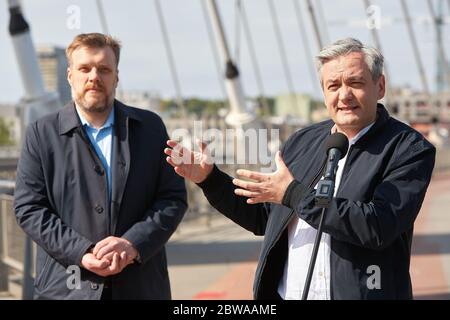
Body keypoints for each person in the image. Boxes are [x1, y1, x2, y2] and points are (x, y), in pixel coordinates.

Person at [165, 38, 436, 300]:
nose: (344, 94)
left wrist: (295, 194)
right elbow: (265, 218)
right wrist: (210, 180)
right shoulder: (301, 142)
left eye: (355, 82)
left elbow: (377, 225)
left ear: (380, 86)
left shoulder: (408, 149)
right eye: (333, 85)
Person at [14, 33, 187, 300]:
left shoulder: (150, 128)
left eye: (104, 69)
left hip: (139, 289)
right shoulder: (41, 133)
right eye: (84, 68)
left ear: (116, 77)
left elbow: (172, 198)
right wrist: (82, 252)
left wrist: (132, 244)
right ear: (70, 76)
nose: (94, 76)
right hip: (65, 290)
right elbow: (29, 207)